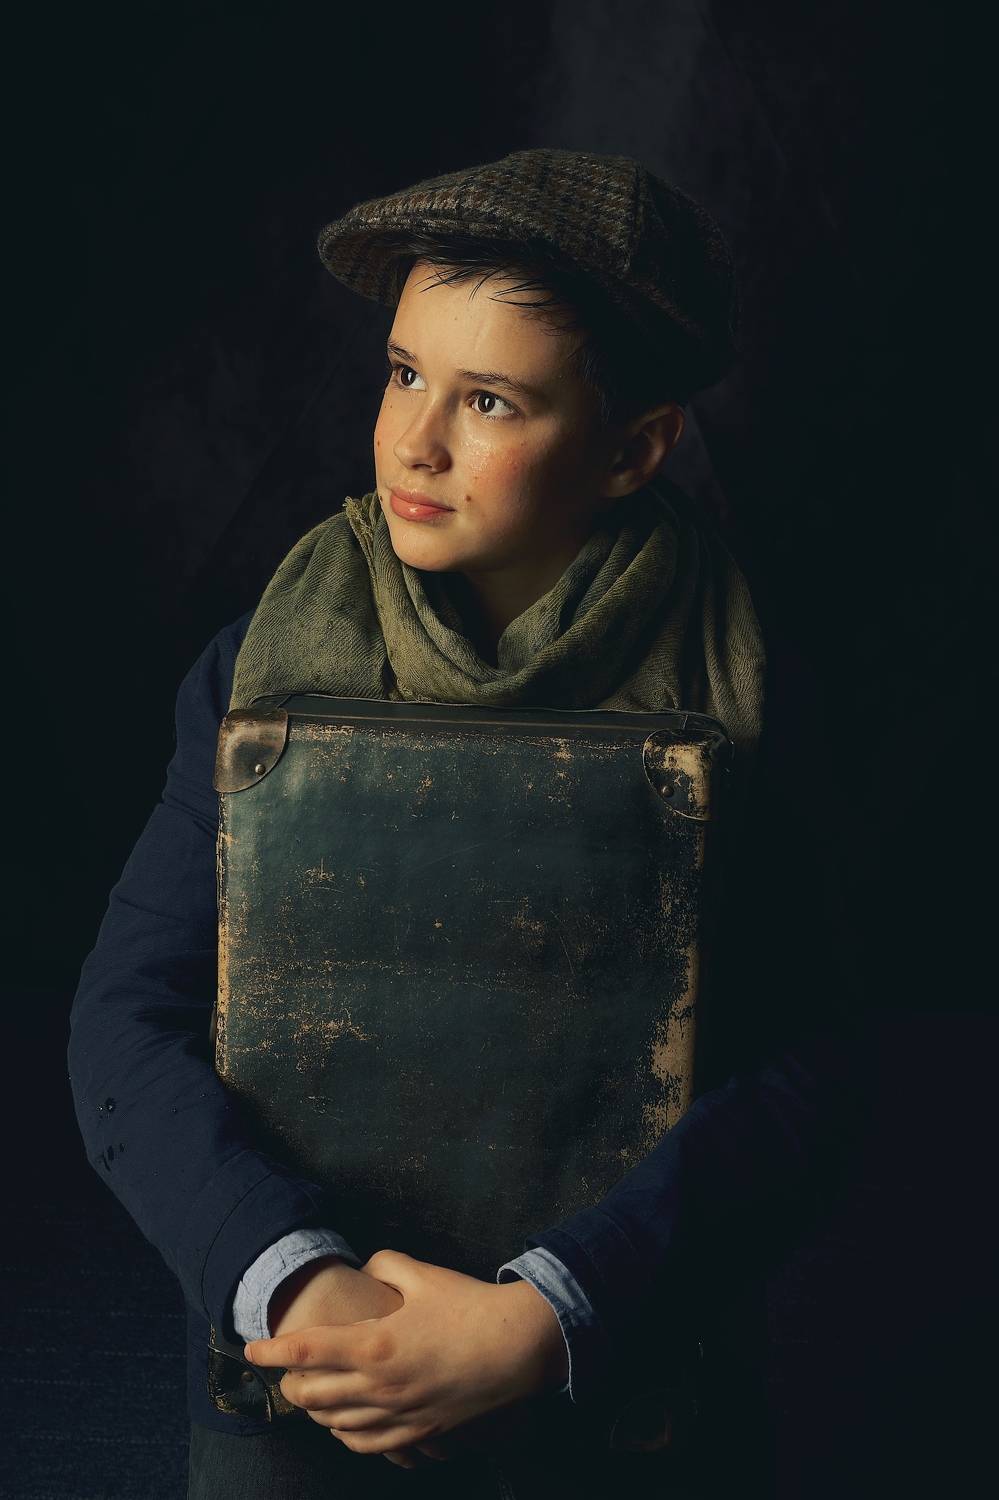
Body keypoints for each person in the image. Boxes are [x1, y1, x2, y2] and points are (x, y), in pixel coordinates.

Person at [68, 148, 861, 1499]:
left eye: (489, 400)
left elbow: (810, 1073)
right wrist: (297, 1286)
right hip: (312, 1369)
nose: (414, 441)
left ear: (634, 448)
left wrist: (552, 1314)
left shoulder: (753, 692)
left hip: (625, 1365)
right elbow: (123, 1023)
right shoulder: (259, 664)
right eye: (402, 374)